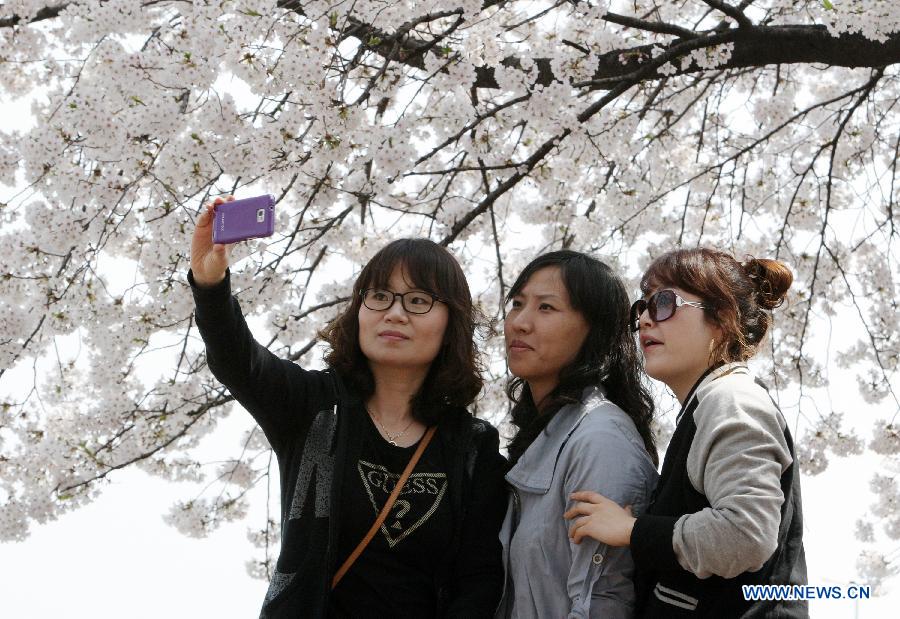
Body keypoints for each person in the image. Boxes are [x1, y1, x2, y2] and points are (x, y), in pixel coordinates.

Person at [189, 196, 507, 618]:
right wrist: (210, 286)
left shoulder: (472, 447)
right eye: (379, 296)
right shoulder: (313, 407)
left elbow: (480, 579)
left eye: (418, 301)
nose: (395, 313)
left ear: (452, 322)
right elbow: (239, 360)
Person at [564, 247, 808, 617]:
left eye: (664, 303)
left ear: (722, 319)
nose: (645, 320)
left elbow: (746, 535)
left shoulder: (731, 399)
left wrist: (633, 531)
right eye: (641, 308)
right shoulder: (709, 403)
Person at [494, 250, 660, 619]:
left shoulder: (601, 439)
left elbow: (601, 600)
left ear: (594, 331)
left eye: (546, 308)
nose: (519, 322)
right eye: (517, 304)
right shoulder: (550, 434)